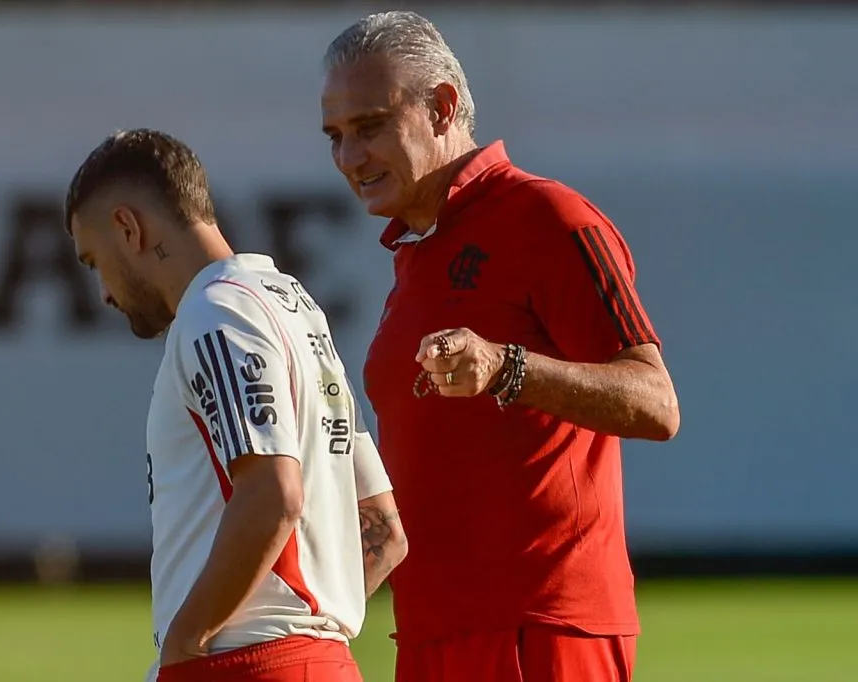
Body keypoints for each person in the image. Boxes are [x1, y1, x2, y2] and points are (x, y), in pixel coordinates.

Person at [320, 11, 680, 682]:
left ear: (442, 107)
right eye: (335, 136)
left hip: (542, 631)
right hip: (430, 633)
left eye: (370, 127)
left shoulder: (549, 217)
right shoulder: (418, 251)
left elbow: (656, 402)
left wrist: (508, 366)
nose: (349, 158)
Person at [63, 129, 407, 682]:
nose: (105, 292)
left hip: (241, 666)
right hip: (323, 665)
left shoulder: (213, 311)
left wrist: (186, 640)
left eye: (93, 260)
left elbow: (272, 492)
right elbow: (384, 530)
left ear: (127, 227)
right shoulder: (296, 311)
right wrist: (311, 625)